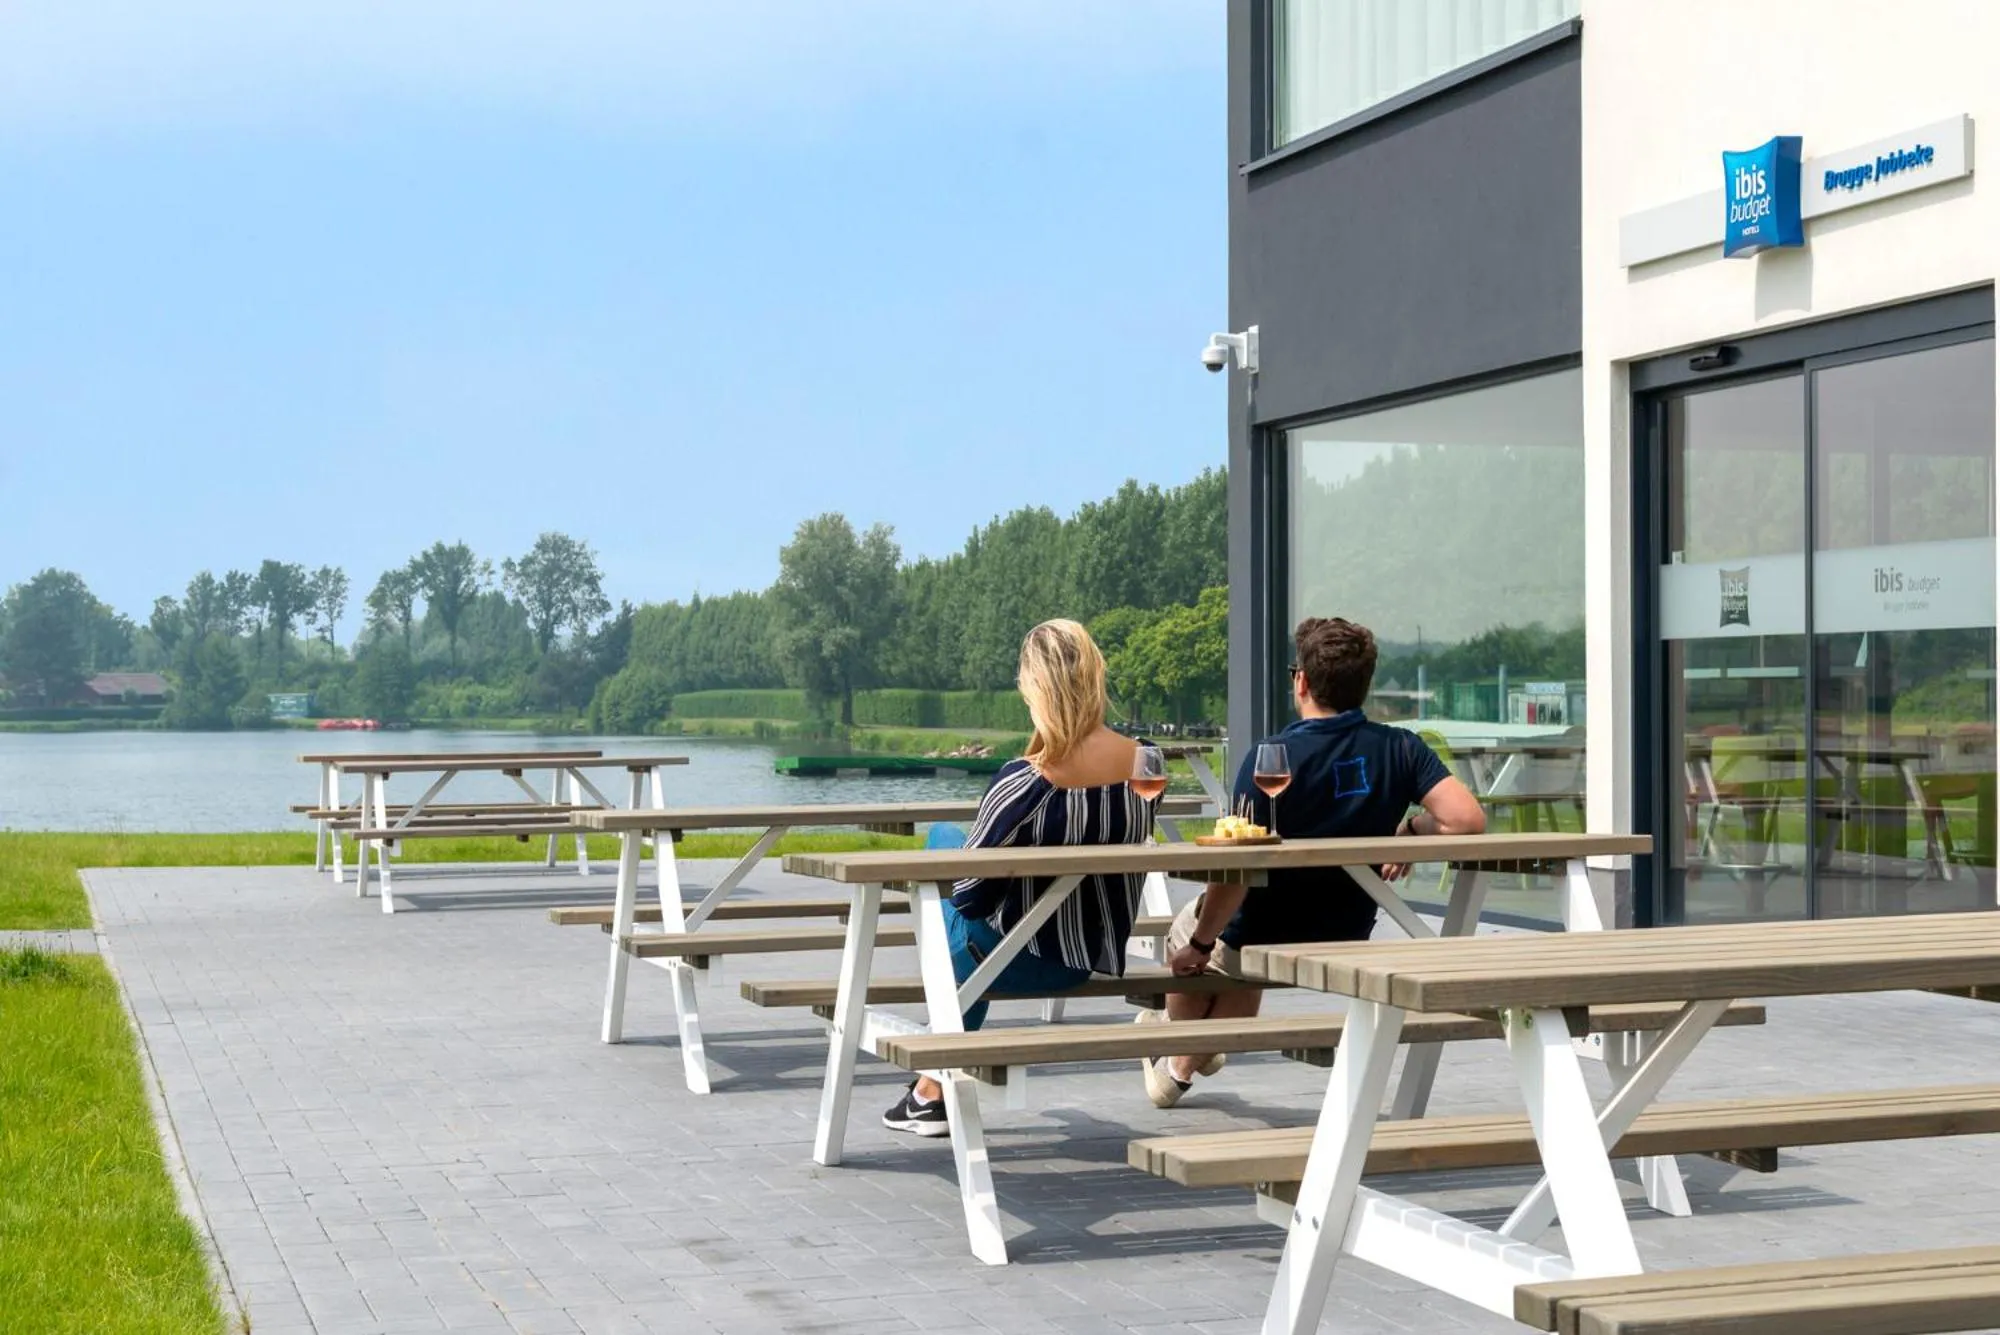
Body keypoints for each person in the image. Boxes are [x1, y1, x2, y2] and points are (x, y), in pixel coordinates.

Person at [1141, 616, 1486, 1107]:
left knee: (1195, 936)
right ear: (1363, 686)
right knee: (1230, 950)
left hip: (1263, 930)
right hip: (1345, 928)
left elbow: (1235, 871)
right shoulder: (1401, 748)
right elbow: (1466, 820)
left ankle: (1179, 1057)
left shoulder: (1271, 757)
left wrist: (1198, 943)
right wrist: (1409, 829)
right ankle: (1191, 1055)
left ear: (1301, 681)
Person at [882, 618, 1161, 1137]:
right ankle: (928, 1091)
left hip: (1015, 963)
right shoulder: (1146, 765)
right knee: (968, 901)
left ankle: (934, 1084)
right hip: (1087, 958)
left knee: (944, 849)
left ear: (1035, 688)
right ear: (1096, 677)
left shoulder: (1024, 783)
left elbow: (971, 897)